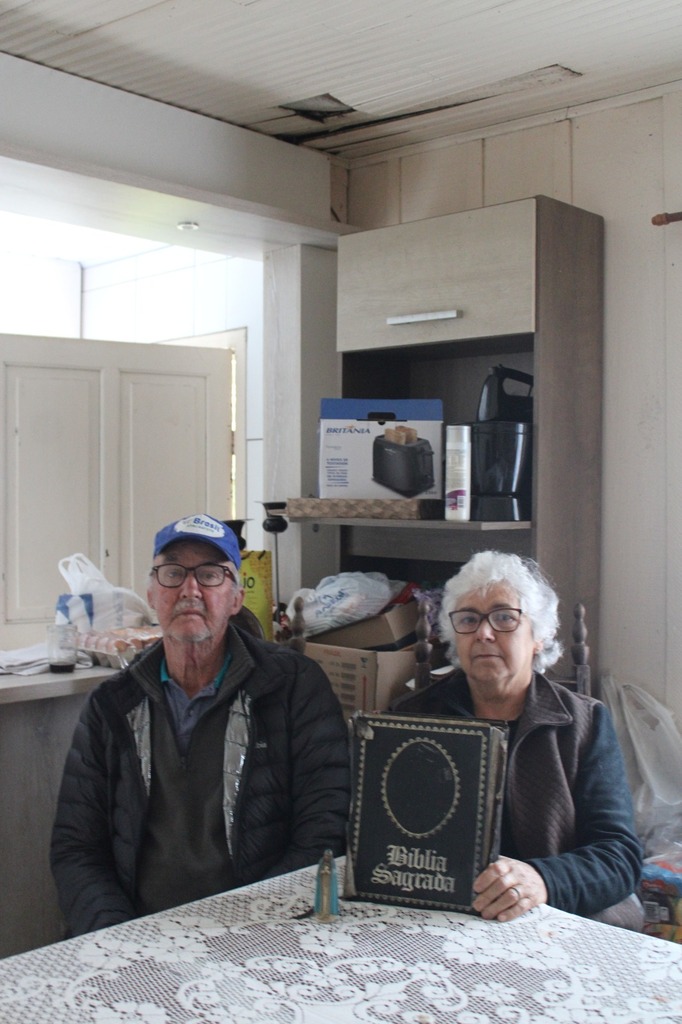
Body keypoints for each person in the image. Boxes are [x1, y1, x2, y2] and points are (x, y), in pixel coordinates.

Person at [51, 513, 350, 937]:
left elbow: (324, 833)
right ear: (152, 593)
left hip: (258, 934)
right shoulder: (113, 705)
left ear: (235, 596)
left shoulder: (293, 688)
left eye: (210, 574)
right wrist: (117, 938)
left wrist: (251, 929)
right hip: (135, 933)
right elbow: (76, 848)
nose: (190, 589)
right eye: (173, 573)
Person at [392, 550, 644, 930]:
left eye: (505, 617)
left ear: (538, 636)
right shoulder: (411, 719)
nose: (484, 632)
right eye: (468, 619)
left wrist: (543, 880)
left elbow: (619, 856)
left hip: (550, 914)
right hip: (440, 916)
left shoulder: (584, 723)